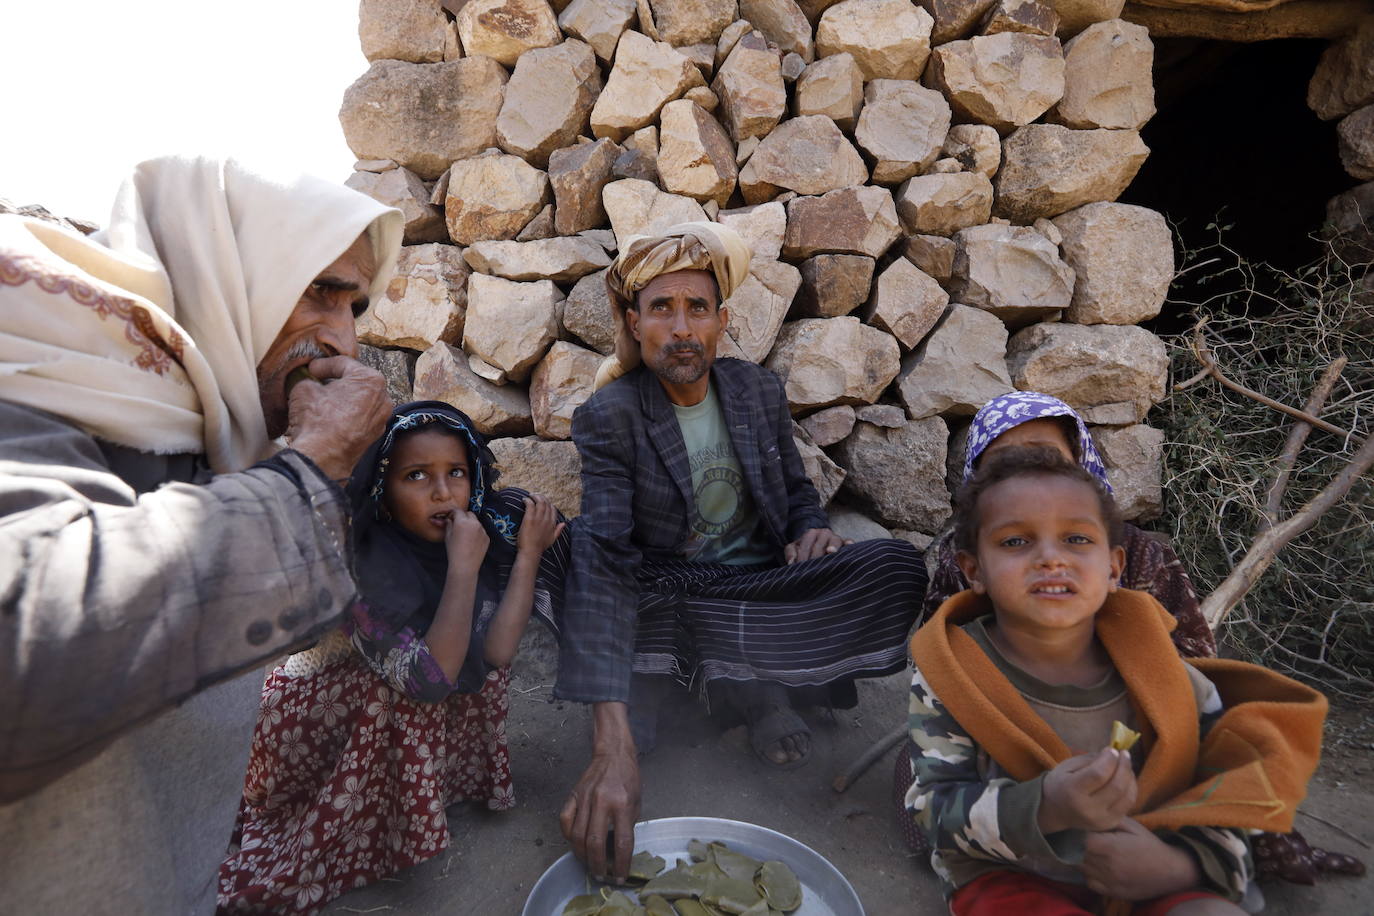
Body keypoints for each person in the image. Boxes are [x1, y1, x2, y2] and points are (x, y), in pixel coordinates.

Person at [0, 156, 403, 913]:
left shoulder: (197, 417)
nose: (345, 342)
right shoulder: (30, 363)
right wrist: (306, 473)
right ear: (229, 277)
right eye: (320, 293)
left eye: (357, 308)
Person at [557, 221, 926, 881]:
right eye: (661, 309)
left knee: (894, 565)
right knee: (581, 556)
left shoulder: (753, 391)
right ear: (635, 323)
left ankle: (731, 682)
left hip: (761, 591)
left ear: (721, 320)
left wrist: (809, 531)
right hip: (678, 596)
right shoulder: (609, 414)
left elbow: (794, 489)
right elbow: (608, 555)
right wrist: (610, 743)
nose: (680, 328)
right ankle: (748, 692)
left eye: (696, 308)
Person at [902, 391, 1364, 883]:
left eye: (1043, 456)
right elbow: (938, 653)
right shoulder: (962, 557)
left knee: (1235, 806)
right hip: (998, 733)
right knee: (927, 806)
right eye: (1004, 463)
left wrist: (1143, 699)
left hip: (1133, 730)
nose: (1050, 559)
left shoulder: (1138, 552)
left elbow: (1191, 659)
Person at [219, 401, 568, 913]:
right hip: (303, 735)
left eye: (456, 472)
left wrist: (529, 556)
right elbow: (428, 681)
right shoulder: (364, 562)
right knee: (412, 684)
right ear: (383, 493)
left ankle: (407, 805)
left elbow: (497, 651)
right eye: (416, 476)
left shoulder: (478, 535)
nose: (443, 492)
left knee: (476, 667)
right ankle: (351, 829)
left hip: (383, 709)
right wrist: (462, 571)